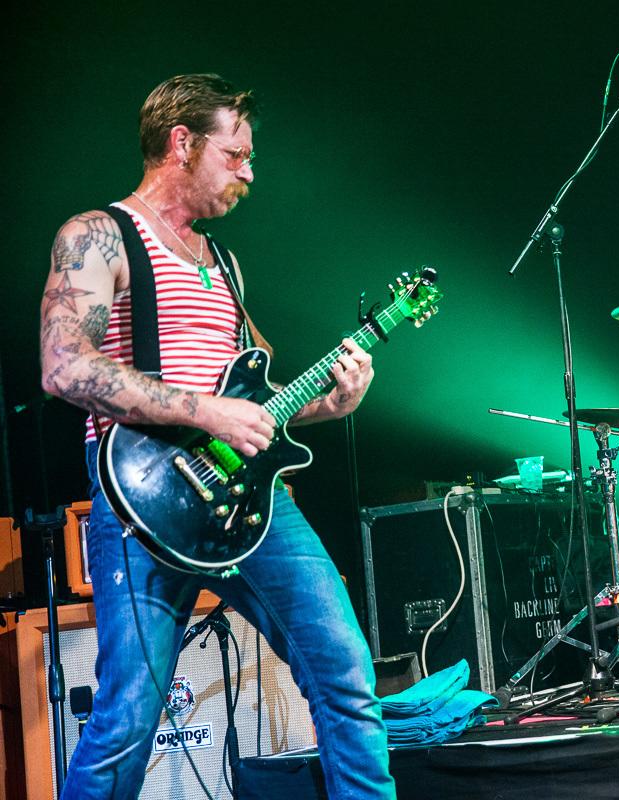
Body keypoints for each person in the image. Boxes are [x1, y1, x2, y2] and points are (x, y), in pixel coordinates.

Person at [39, 74, 395, 798]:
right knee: (128, 719)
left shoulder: (224, 262)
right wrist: (205, 412)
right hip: (142, 502)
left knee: (346, 673)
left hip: (251, 505)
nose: (249, 173)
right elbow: (63, 365)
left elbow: (266, 402)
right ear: (181, 143)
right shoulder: (98, 234)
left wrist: (335, 401)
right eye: (235, 155)